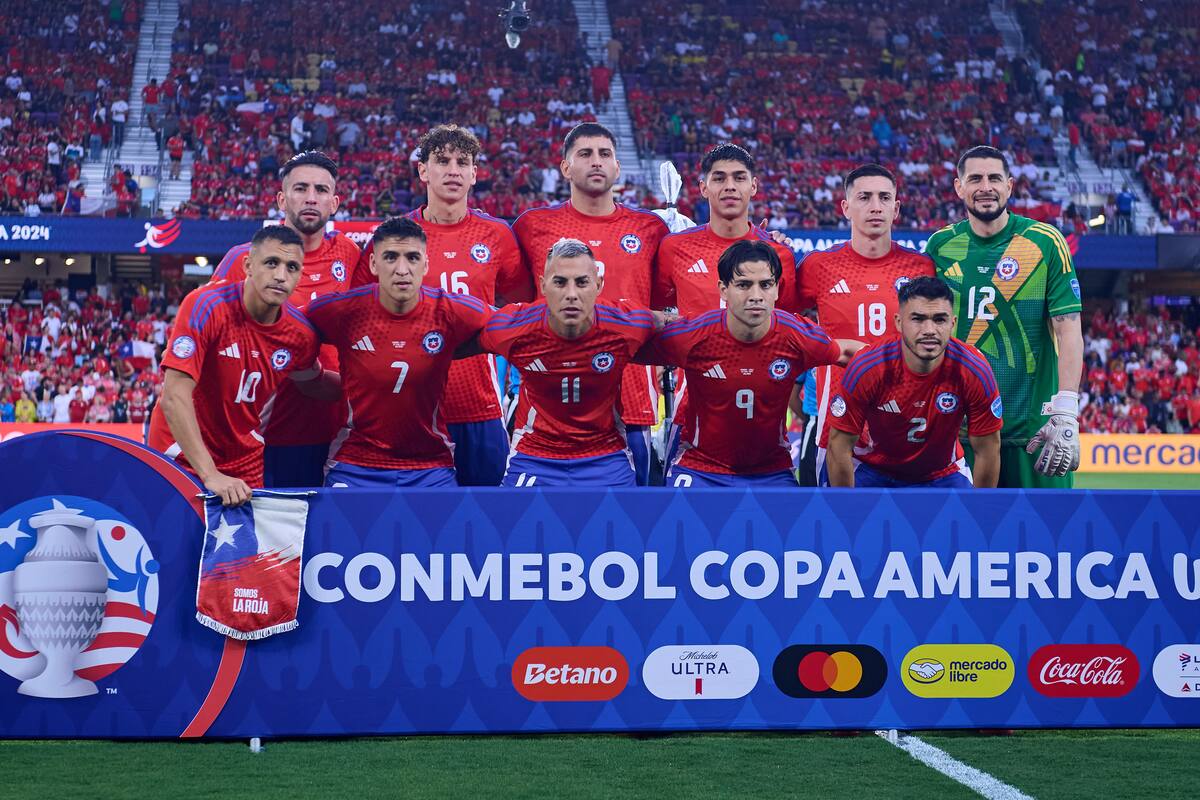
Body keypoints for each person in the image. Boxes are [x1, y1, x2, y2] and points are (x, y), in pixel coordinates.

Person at [513, 123, 669, 485]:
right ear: (565, 168)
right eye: (585, 154)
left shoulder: (650, 228)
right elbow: (519, 303)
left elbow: (663, 310)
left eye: (605, 154)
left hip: (632, 404)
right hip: (550, 405)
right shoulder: (532, 226)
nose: (596, 162)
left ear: (617, 167)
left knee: (629, 528)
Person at [926, 146, 1084, 487]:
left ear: (1010, 186)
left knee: (1044, 538)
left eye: (994, 178)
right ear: (959, 187)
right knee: (963, 538)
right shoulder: (940, 246)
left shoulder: (1044, 242)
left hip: (1035, 433)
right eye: (975, 179)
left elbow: (1069, 329)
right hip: (960, 431)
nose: (986, 187)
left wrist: (1067, 409)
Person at [639, 241, 852, 487]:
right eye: (743, 285)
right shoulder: (694, 335)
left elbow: (849, 353)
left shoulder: (795, 335)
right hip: (701, 468)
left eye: (765, 285)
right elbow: (627, 350)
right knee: (676, 523)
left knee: (794, 523)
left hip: (771, 471)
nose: (755, 296)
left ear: (776, 291)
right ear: (723, 289)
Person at [148, 226, 333, 505]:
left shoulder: (300, 335)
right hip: (181, 453)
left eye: (292, 267)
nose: (281, 275)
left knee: (248, 549)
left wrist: (375, 386)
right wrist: (210, 475)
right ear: (248, 265)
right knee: (176, 545)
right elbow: (174, 396)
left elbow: (314, 383)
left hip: (244, 461)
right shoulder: (206, 305)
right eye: (272, 263)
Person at [208, 150, 360, 487]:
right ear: (281, 199)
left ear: (334, 203)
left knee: (327, 538)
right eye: (300, 188)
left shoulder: (351, 255)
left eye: (321, 191)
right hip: (261, 433)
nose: (310, 198)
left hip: (335, 435)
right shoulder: (241, 260)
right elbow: (205, 337)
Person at [306, 217, 491, 488]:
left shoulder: (451, 310)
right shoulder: (341, 311)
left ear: (425, 265)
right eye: (391, 257)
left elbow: (512, 327)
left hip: (430, 464)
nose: (402, 269)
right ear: (373, 264)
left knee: (442, 530)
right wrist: (305, 374)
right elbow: (289, 327)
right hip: (355, 463)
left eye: (412, 258)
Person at [652, 144, 802, 468]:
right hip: (691, 414)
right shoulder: (674, 249)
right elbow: (660, 315)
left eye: (739, 177)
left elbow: (789, 335)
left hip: (763, 414)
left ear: (754, 186)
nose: (730, 186)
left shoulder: (781, 256)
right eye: (719, 178)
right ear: (703, 187)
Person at [480, 238, 666, 487]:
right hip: (535, 454)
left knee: (623, 524)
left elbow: (686, 330)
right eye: (560, 282)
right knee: (511, 523)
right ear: (543, 285)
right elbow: (453, 341)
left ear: (599, 285)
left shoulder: (629, 325)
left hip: (605, 454)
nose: (571, 294)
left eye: (582, 282)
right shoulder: (513, 328)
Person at [404, 124, 532, 486]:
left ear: (475, 174)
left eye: (463, 162)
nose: (453, 170)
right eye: (442, 161)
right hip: (413, 408)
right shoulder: (398, 237)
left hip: (480, 407)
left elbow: (520, 305)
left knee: (490, 523)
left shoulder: (497, 236)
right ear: (423, 171)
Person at [795, 163, 935, 484]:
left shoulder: (922, 266)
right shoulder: (819, 265)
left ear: (896, 208)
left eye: (884, 198)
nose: (875, 206)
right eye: (864, 197)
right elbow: (779, 321)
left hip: (906, 425)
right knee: (838, 529)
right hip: (839, 427)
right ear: (845, 207)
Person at [827, 277, 1002, 488]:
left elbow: (988, 450)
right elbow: (839, 447)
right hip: (873, 469)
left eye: (939, 319)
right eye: (918, 319)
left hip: (943, 473)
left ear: (952, 324)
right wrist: (846, 512)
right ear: (899, 323)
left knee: (972, 518)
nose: (929, 329)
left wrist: (980, 513)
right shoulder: (868, 367)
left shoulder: (973, 369)